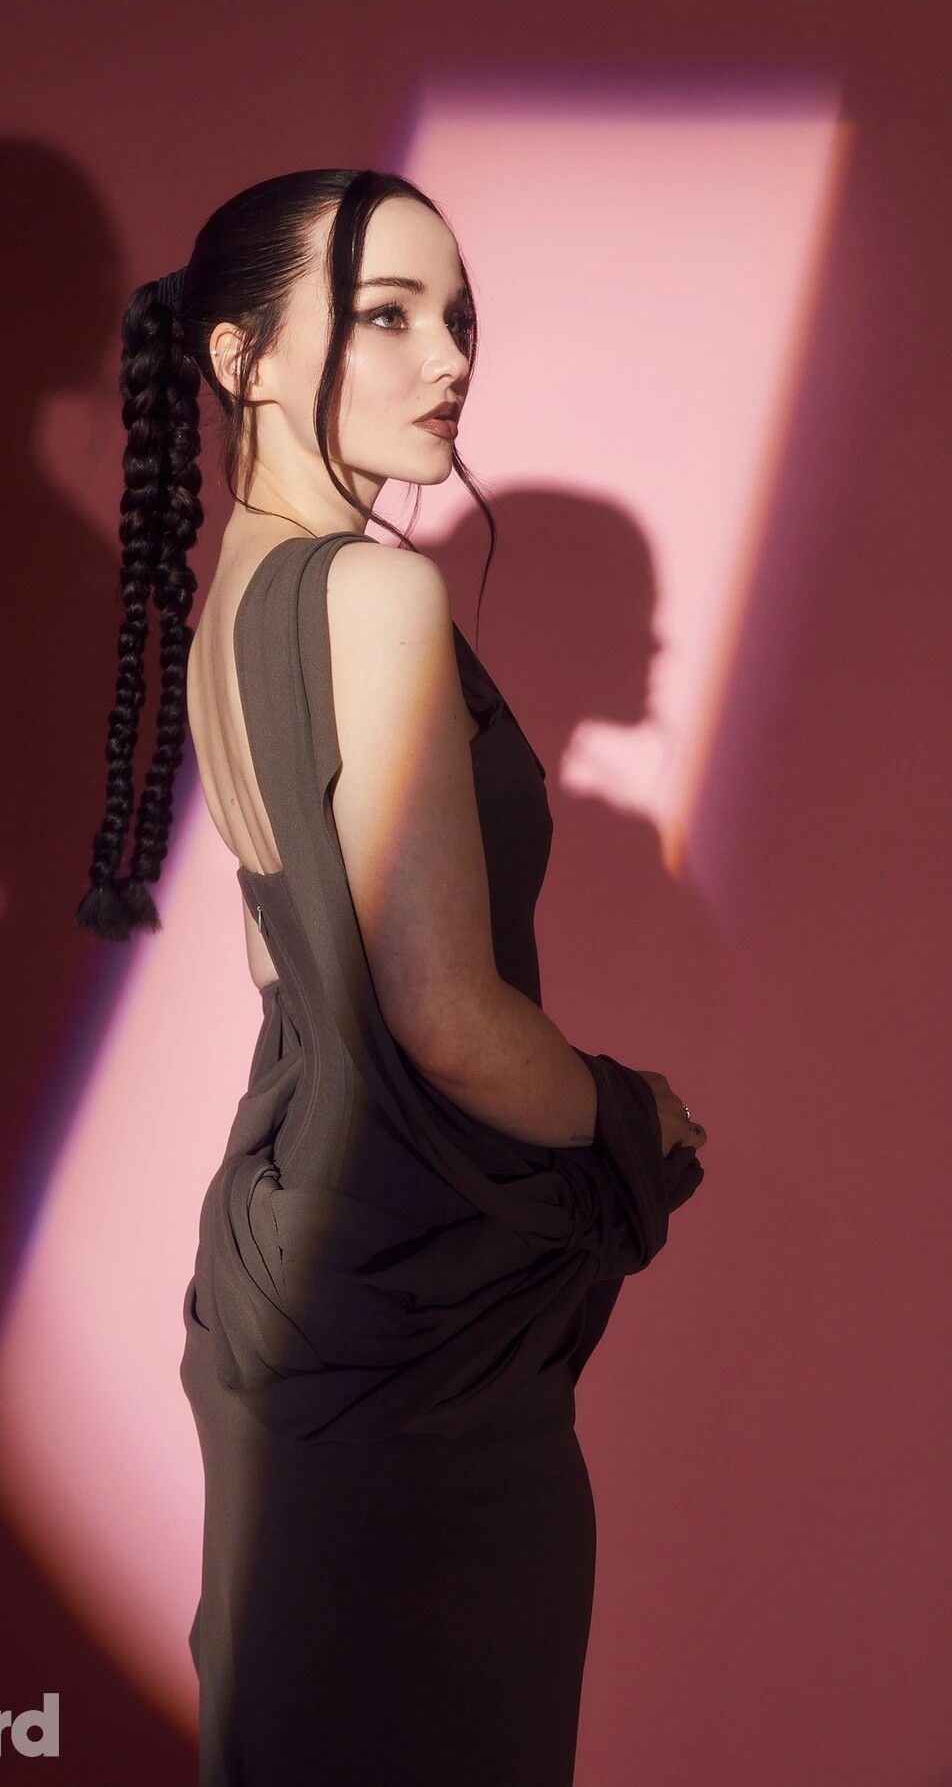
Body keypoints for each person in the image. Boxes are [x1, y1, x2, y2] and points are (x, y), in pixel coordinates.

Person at [75, 168, 708, 1787]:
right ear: (240, 358)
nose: (449, 360)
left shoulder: (240, 597)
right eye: (385, 315)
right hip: (405, 1305)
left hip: (298, 1262)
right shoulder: (371, 592)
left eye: (459, 319)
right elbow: (444, 1017)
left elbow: (282, 958)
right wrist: (634, 1117)